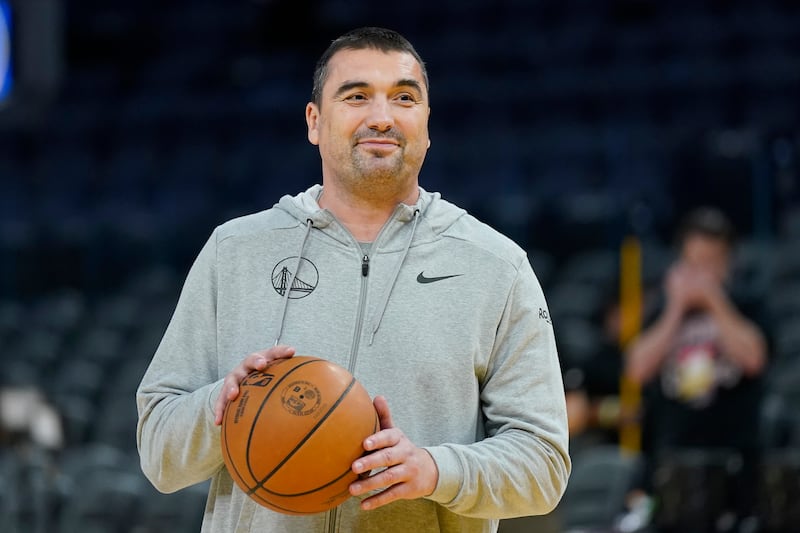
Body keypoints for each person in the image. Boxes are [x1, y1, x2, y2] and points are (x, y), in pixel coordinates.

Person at [136, 26, 570, 533]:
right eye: (357, 96)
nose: (382, 117)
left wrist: (435, 470)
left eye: (404, 98)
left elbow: (544, 465)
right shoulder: (234, 251)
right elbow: (158, 454)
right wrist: (222, 407)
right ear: (315, 121)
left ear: (427, 124)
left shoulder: (497, 266)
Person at [623, 206, 769, 529]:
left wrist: (715, 301)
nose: (700, 275)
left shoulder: (747, 301)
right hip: (672, 462)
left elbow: (754, 359)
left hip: (735, 461)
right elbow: (636, 369)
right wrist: (675, 309)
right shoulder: (663, 307)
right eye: (693, 264)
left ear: (728, 263)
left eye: (710, 264)